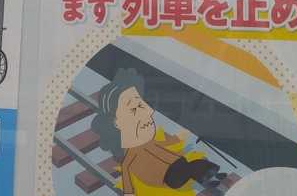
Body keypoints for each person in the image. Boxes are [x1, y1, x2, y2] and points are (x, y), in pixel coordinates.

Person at [92, 68, 222, 194]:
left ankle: (211, 176)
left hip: (176, 165)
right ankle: (208, 177)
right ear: (117, 122)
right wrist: (129, 192)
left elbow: (162, 144)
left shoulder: (146, 140)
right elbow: (126, 168)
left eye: (142, 103)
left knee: (194, 166)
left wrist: (178, 139)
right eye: (135, 108)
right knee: (194, 167)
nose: (149, 111)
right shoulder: (132, 149)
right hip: (167, 175)